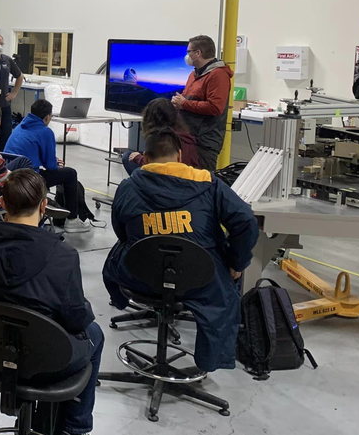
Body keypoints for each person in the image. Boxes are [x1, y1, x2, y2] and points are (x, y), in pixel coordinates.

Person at [102, 128, 259, 372]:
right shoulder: (209, 185)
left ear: (146, 156)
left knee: (117, 252)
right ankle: (212, 359)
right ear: (179, 155)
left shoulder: (128, 187)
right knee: (228, 282)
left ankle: (120, 300)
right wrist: (236, 262)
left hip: (139, 277)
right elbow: (246, 222)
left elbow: (120, 232)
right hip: (200, 280)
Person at [0, 170, 103, 435]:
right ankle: (74, 427)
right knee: (95, 334)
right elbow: (75, 320)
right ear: (43, 205)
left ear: (3, 203)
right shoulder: (62, 255)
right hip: (48, 362)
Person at [5, 99, 94, 230]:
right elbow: (51, 166)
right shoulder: (45, 131)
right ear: (47, 117)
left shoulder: (20, 126)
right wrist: (53, 161)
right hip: (28, 179)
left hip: (10, 175)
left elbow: (29, 151)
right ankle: (72, 220)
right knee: (70, 173)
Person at [172, 35, 234, 172]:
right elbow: (189, 98)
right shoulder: (194, 74)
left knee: (202, 182)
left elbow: (215, 107)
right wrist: (178, 102)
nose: (187, 55)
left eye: (189, 52)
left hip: (204, 142)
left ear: (198, 53)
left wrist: (184, 104)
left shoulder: (218, 75)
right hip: (188, 137)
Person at [122, 98, 201, 175]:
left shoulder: (164, 138)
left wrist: (139, 158)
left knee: (128, 156)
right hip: (190, 179)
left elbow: (162, 166)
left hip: (173, 180)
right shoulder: (184, 134)